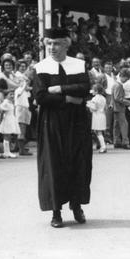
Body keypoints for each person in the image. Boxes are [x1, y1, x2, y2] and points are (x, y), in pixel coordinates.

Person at [33, 28, 92, 228]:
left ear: (67, 44)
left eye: (57, 43)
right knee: (54, 163)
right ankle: (56, 211)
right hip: (52, 122)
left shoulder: (78, 65)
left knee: (78, 161)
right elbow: (41, 96)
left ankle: (76, 206)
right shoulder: (41, 68)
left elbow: (85, 89)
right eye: (48, 43)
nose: (52, 48)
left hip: (77, 122)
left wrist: (59, 89)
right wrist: (69, 98)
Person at [0, 89, 19, 158]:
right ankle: (6, 152)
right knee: (7, 136)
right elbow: (1, 111)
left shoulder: (10, 102)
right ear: (6, 96)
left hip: (11, 119)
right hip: (7, 120)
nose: (12, 96)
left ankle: (7, 151)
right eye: (10, 94)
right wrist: (0, 121)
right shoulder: (6, 102)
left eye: (13, 94)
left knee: (8, 136)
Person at [87, 84, 108, 153]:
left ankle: (103, 146)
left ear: (96, 91)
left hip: (97, 116)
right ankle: (103, 146)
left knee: (98, 132)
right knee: (100, 132)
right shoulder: (103, 98)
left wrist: (88, 104)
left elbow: (93, 109)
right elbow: (105, 108)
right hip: (102, 115)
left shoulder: (94, 98)